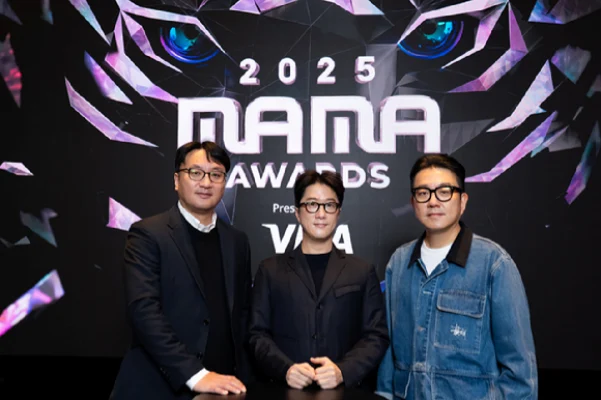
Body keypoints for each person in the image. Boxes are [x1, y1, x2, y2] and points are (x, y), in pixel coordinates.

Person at [376, 154, 538, 399]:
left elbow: (520, 373)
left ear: (462, 201)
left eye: (444, 192)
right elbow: (389, 355)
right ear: (413, 202)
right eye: (423, 193)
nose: (433, 202)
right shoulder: (398, 263)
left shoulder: (494, 264)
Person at [110, 141, 252, 399]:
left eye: (216, 174)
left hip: (223, 387)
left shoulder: (237, 241)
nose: (206, 182)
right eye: (195, 173)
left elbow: (241, 315)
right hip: (157, 388)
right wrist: (195, 375)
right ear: (177, 180)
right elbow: (143, 312)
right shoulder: (148, 234)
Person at [248, 170, 389, 391]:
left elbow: (376, 336)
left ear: (338, 212)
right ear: (297, 212)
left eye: (329, 205)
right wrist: (285, 369)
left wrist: (343, 371)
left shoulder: (362, 271)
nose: (321, 214)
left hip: (344, 393)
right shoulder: (270, 270)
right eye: (312, 204)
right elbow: (256, 334)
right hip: (285, 391)